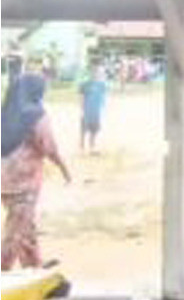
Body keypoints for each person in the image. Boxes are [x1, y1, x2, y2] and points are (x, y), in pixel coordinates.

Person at [2, 73, 71, 270]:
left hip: (4, 181)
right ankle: (2, 269)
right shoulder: (36, 115)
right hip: (25, 182)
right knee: (16, 231)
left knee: (25, 225)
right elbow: (48, 146)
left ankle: (33, 267)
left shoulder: (5, 113)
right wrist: (64, 168)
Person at [79, 65, 108, 155]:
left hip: (97, 110)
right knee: (84, 127)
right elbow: (82, 96)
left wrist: (103, 106)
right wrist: (82, 106)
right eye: (97, 73)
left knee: (95, 129)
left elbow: (103, 96)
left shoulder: (102, 85)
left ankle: (92, 146)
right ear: (92, 73)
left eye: (101, 73)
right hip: (88, 109)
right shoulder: (86, 84)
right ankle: (82, 142)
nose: (99, 75)